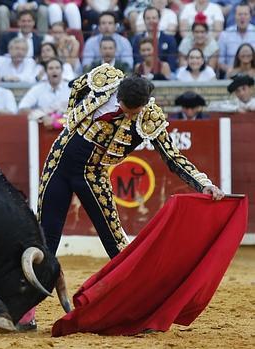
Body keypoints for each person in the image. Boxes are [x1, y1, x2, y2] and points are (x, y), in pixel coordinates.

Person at [37, 64, 223, 263]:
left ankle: (135, 289)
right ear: (118, 96)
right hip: (59, 160)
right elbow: (77, 87)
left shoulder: (149, 116)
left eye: (134, 113)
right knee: (45, 236)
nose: (128, 117)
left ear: (144, 105)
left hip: (92, 172)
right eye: (125, 111)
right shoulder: (105, 79)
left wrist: (203, 184)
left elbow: (173, 157)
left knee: (115, 240)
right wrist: (72, 123)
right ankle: (31, 289)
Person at [19, 58, 70, 124]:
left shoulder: (71, 88)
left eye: (57, 68)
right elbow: (22, 108)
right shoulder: (37, 89)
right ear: (46, 72)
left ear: (62, 70)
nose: (54, 71)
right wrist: (42, 116)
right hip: (43, 129)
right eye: (51, 68)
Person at [131, 6, 178, 72]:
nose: (151, 21)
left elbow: (172, 64)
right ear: (144, 20)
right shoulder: (137, 39)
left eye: (154, 18)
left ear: (159, 19)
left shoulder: (170, 40)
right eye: (148, 18)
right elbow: (137, 61)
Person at [219, 4, 255, 74]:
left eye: (245, 14)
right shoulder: (225, 34)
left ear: (250, 17)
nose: (242, 17)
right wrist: (230, 70)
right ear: (234, 16)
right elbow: (220, 62)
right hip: (232, 76)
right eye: (239, 14)